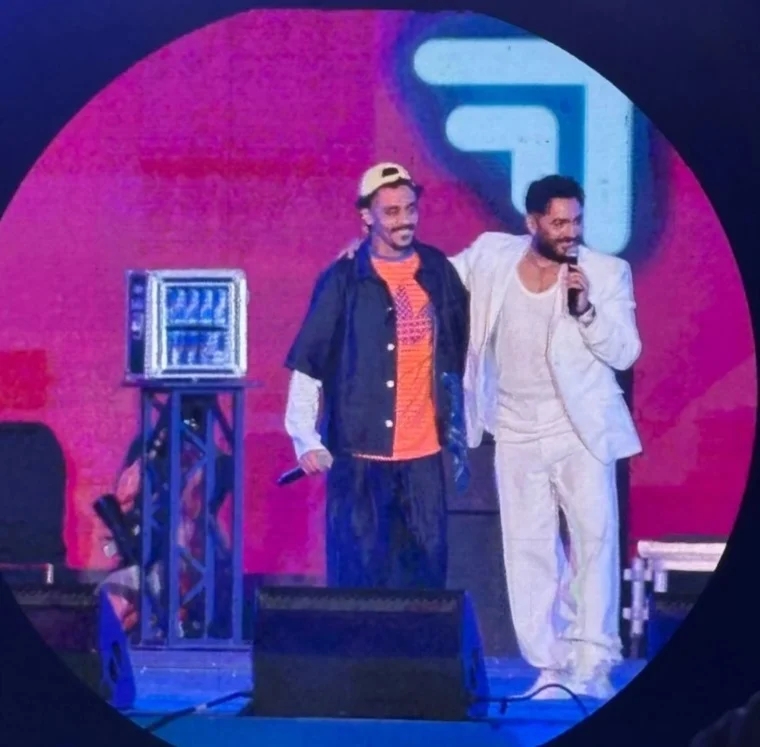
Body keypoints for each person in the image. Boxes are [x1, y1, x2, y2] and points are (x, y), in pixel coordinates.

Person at [342, 174, 642, 699]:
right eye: (558, 223)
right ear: (532, 222)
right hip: (514, 428)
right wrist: (371, 257)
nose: (570, 232)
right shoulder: (492, 257)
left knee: (594, 543)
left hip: (581, 429)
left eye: (576, 221)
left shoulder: (605, 272)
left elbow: (625, 352)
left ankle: (593, 661)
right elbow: (432, 277)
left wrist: (587, 311)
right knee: (528, 549)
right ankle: (550, 664)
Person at [283, 162, 470, 590]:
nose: (405, 220)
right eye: (392, 212)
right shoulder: (344, 279)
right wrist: (304, 437)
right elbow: (309, 363)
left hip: (422, 458)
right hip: (359, 459)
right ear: (366, 216)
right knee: (357, 583)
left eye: (410, 209)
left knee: (425, 583)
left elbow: (462, 345)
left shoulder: (438, 270)